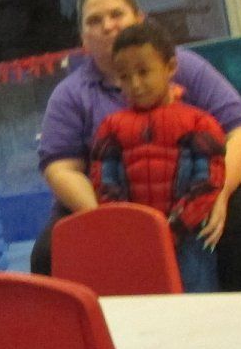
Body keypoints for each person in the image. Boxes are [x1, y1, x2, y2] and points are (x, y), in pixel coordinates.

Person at [32, 0, 241, 292]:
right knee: (48, 253)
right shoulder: (70, 95)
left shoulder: (185, 65)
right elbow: (60, 168)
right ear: (83, 38)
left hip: (205, 186)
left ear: (139, 19)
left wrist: (218, 193)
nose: (107, 26)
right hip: (113, 199)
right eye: (94, 21)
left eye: (116, 14)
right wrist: (111, 218)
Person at [89, 20, 226, 293]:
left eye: (144, 72)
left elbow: (207, 182)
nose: (135, 84)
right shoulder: (111, 128)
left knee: (200, 308)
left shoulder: (200, 123)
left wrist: (174, 228)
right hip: (134, 242)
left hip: (188, 239)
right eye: (125, 77)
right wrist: (133, 229)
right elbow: (105, 183)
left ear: (170, 67)